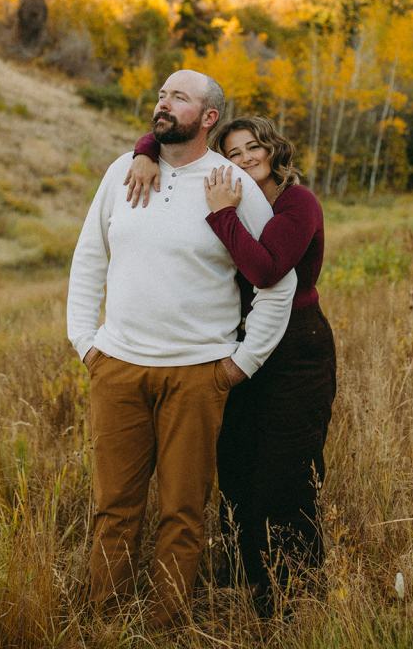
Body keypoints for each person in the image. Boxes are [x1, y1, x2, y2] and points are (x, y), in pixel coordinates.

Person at [67, 73, 296, 630]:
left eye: (180, 98)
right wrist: (86, 343)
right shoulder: (124, 171)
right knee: (114, 509)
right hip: (117, 368)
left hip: (196, 375)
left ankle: (167, 625)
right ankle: (108, 624)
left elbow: (277, 283)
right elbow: (89, 257)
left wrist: (238, 365)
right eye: (162, 95)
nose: (163, 104)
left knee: (183, 513)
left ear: (209, 117)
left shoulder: (229, 184)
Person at [127, 115, 336, 614]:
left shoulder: (295, 204)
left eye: (252, 148)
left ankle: (295, 592)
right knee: (238, 470)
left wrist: (222, 216)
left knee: (284, 474)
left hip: (297, 352)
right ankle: (249, 579)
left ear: (272, 149)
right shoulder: (240, 198)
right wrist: (143, 150)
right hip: (237, 346)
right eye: (233, 152)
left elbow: (265, 269)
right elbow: (169, 133)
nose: (244, 159)